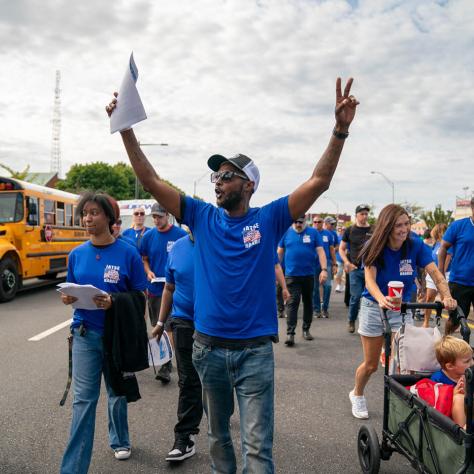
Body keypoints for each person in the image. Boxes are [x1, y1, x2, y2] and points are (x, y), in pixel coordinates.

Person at [107, 77, 359, 473]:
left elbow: (318, 182)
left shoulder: (270, 218)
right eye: (217, 177)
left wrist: (340, 130)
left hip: (255, 352)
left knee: (257, 448)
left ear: (249, 184)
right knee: (218, 438)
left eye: (227, 175)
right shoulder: (202, 217)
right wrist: (126, 130)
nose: (218, 182)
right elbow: (152, 181)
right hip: (207, 350)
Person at [59, 192, 147, 473]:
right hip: (84, 335)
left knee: (117, 393)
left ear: (110, 217)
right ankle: (73, 469)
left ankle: (120, 439)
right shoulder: (76, 255)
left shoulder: (128, 253)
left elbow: (141, 295)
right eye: (85, 212)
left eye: (94, 212)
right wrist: (68, 297)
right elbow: (71, 288)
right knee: (83, 402)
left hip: (115, 337)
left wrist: (114, 302)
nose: (88, 218)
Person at [349, 204, 457, 420]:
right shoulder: (375, 246)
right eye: (398, 225)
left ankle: (401, 405)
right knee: (371, 365)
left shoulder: (415, 245)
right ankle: (357, 393)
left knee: (405, 363)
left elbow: (435, 273)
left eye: (406, 224)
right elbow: (369, 281)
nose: (404, 229)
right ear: (387, 226)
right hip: (373, 306)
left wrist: (446, 296)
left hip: (403, 308)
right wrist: (381, 299)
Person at [151, 232, 203, 462]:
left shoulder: (218, 242)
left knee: (216, 381)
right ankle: (184, 438)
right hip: (182, 321)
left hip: (216, 324)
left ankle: (219, 421)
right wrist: (161, 322)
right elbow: (169, 288)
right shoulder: (178, 248)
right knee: (188, 380)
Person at [140, 202, 187, 383]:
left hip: (176, 289)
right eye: (154, 217)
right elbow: (144, 259)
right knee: (157, 326)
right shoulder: (148, 236)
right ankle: (165, 360)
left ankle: (167, 365)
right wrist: (148, 271)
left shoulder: (180, 235)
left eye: (159, 216)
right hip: (155, 289)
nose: (156, 220)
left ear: (167, 215)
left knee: (169, 327)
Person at [277, 217, 327, 346]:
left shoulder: (313, 232)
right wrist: (275, 272)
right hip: (291, 275)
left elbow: (321, 252)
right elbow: (279, 253)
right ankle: (290, 334)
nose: (298, 224)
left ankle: (306, 329)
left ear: (305, 221)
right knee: (292, 302)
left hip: (308, 275)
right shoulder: (286, 232)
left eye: (301, 222)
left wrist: (324, 269)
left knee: (308, 302)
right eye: (296, 222)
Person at [439, 196, 474, 329]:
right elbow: (443, 248)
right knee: (455, 321)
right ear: (472, 207)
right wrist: (440, 272)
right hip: (460, 282)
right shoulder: (458, 226)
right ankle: (446, 343)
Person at [339, 204, 372, 333]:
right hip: (355, 269)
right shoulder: (350, 230)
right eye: (362, 213)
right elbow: (341, 248)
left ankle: (365, 323)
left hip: (370, 269)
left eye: (366, 214)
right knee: (356, 297)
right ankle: (351, 320)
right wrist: (347, 262)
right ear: (356, 215)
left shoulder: (373, 229)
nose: (364, 216)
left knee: (369, 299)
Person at [430, 336, 473, 427]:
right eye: (467, 361)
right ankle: (463, 435)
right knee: (459, 398)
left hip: (470, 413)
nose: (472, 363)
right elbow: (436, 405)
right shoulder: (438, 380)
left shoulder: (470, 374)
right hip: (453, 424)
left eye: (472, 358)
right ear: (450, 366)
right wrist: (452, 394)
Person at [422, 223, 451, 327]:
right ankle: (425, 322)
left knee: (446, 300)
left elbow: (447, 260)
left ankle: (451, 322)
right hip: (432, 274)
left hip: (444, 274)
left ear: (438, 231)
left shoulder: (448, 244)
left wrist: (440, 275)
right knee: (429, 298)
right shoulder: (435, 244)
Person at [312, 215, 336, 318]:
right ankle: (317, 309)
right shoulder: (310, 233)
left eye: (319, 222)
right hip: (313, 264)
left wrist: (335, 264)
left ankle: (325, 308)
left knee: (328, 286)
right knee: (315, 288)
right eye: (315, 222)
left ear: (323, 223)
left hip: (326, 264)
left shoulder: (328, 234)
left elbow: (331, 250)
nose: (317, 223)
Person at [334, 223, 345, 293]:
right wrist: (336, 248)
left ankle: (346, 286)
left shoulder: (348, 237)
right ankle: (338, 285)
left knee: (347, 275)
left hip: (347, 259)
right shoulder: (336, 238)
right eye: (339, 229)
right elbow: (333, 247)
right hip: (338, 258)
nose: (341, 231)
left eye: (343, 230)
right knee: (339, 273)